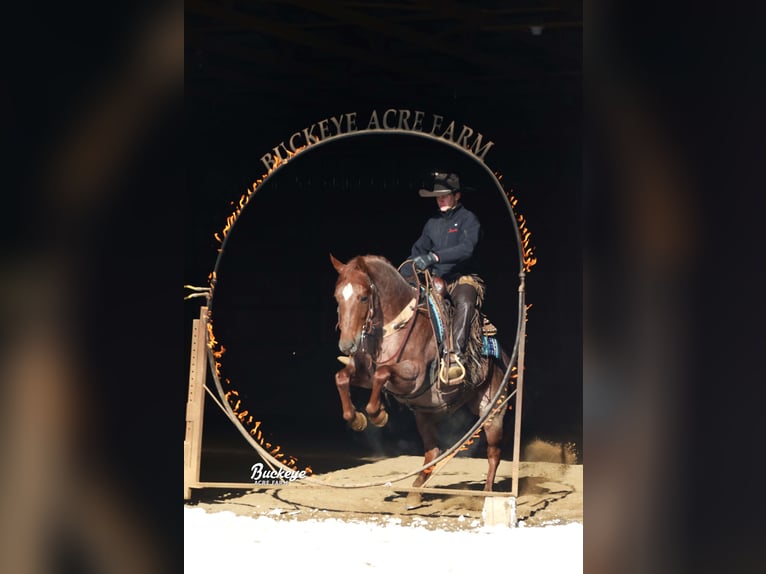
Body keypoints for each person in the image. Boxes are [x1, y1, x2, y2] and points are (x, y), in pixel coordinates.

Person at [400, 172, 485, 385]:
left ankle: (454, 355)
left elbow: (466, 249)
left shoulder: (469, 219)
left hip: (461, 278)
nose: (440, 200)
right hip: (435, 279)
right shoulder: (432, 223)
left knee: (465, 301)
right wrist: (405, 269)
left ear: (457, 195)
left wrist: (436, 256)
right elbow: (418, 250)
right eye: (437, 197)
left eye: (445, 195)